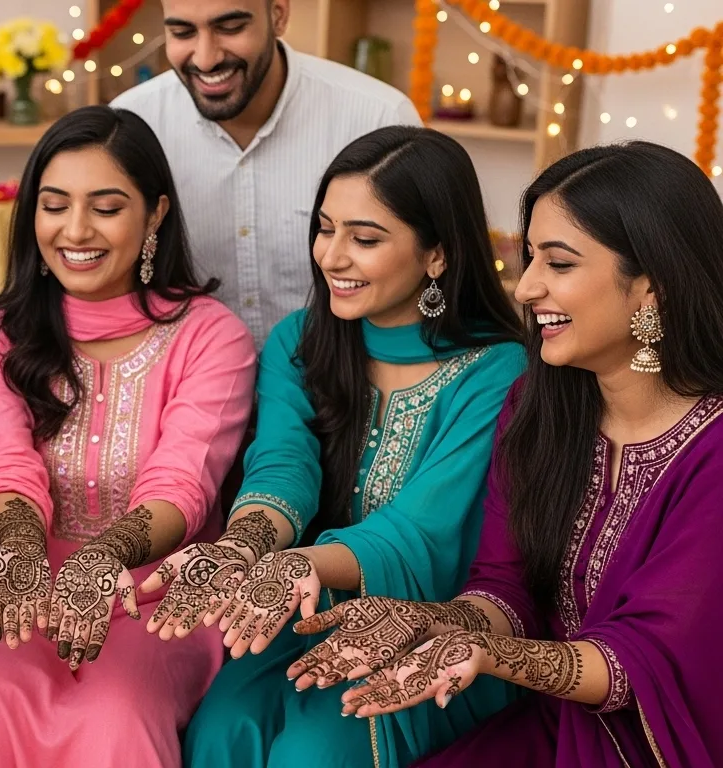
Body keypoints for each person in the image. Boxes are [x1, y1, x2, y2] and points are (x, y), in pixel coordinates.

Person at [293, 142, 723, 767]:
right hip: (551, 725)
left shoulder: (711, 449)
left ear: (651, 282)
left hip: (664, 743)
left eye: (559, 263)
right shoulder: (541, 405)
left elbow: (646, 657)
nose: (526, 287)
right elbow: (506, 586)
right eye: (528, 258)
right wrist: (436, 624)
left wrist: (489, 656)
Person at [155, 126, 525, 767]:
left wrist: (299, 567)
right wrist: (243, 550)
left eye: (365, 238)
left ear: (437, 254)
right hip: (299, 607)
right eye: (326, 228)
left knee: (313, 753)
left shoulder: (496, 369)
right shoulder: (299, 342)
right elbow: (282, 467)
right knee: (222, 733)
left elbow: (424, 528)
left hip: (432, 630)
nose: (332, 256)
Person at [0, 105, 256, 768]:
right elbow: (1, 467)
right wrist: (23, 552)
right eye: (54, 205)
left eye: (105, 207)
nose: (75, 230)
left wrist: (102, 558)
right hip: (24, 589)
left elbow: (183, 484)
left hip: (160, 600)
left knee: (116, 715)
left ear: (155, 215)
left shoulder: (208, 335)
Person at [110, 0, 421, 348]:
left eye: (230, 27)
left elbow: (419, 280)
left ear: (279, 14)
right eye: (182, 32)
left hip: (344, 390)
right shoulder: (131, 123)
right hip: (184, 389)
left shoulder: (378, 116)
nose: (205, 58)